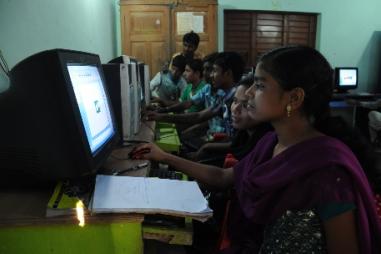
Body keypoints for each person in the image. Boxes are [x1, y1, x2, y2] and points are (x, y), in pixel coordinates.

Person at [134, 46, 381, 253]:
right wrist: (163, 156)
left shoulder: (328, 172)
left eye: (260, 86)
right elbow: (223, 178)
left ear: (294, 99)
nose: (249, 93)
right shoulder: (270, 143)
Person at [146, 52, 245, 146]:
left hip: (218, 141)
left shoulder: (232, 98)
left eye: (213, 70)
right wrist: (163, 111)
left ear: (227, 74)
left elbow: (199, 117)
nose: (209, 74)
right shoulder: (218, 93)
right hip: (213, 137)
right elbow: (188, 103)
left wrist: (161, 115)